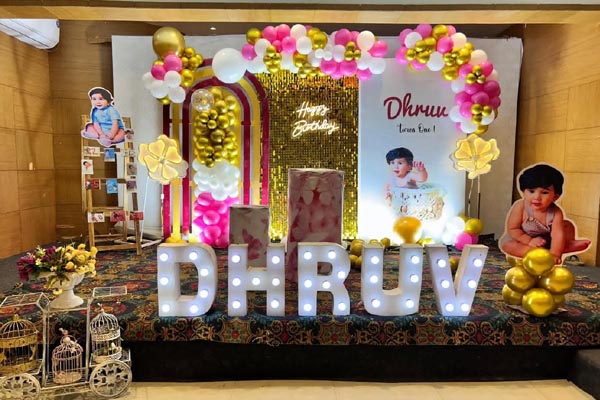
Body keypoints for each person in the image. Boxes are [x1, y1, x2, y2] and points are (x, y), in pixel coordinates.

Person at [499, 163, 590, 265]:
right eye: (531, 191)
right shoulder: (520, 207)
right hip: (521, 239)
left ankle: (565, 245)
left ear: (555, 197)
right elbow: (513, 229)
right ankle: (537, 252)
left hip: (546, 240)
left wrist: (555, 254)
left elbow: (557, 234)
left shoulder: (556, 212)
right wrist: (529, 241)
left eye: (544, 193)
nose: (537, 197)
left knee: (567, 225)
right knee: (508, 245)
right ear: (523, 192)